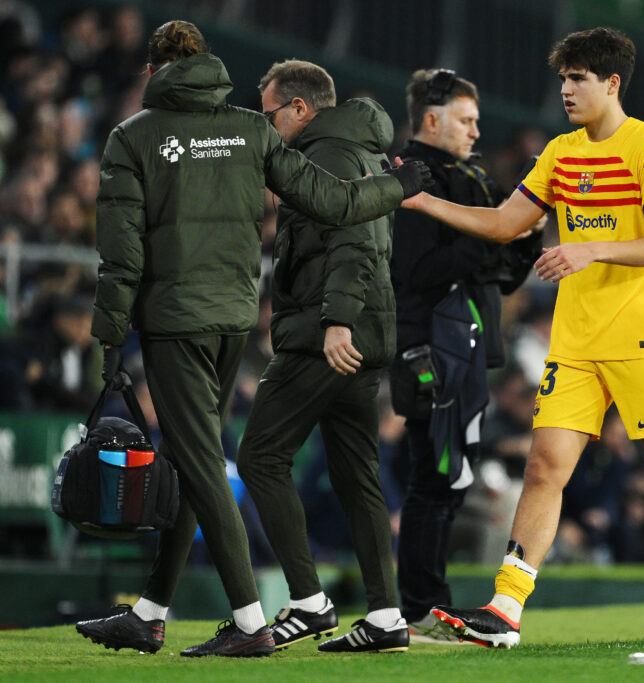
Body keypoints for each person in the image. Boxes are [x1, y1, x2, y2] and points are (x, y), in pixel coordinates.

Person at [74, 20, 428, 658]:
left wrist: (108, 338)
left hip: (174, 318)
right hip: (236, 316)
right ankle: (152, 613)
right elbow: (335, 202)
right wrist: (397, 186)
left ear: (153, 72)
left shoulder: (133, 136)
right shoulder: (251, 128)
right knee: (194, 458)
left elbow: (119, 254)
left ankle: (249, 622)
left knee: (212, 461)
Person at [405, 27, 644, 648]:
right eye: (563, 79)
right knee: (543, 468)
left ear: (611, 82)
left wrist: (588, 249)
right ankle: (504, 610)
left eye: (578, 78)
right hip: (576, 341)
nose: (566, 90)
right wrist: (424, 202)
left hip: (642, 337)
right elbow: (504, 222)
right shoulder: (560, 151)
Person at [234, 59, 410, 654]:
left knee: (258, 456)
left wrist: (335, 320)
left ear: (301, 109)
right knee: (356, 474)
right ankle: (386, 616)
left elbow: (355, 240)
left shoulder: (325, 155)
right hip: (362, 329)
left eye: (269, 114)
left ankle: (309, 602)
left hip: (327, 331)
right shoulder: (361, 149)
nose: (267, 126)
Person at [389, 68, 541, 644]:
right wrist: (492, 236)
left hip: (469, 347)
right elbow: (415, 272)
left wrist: (521, 242)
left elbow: (498, 278)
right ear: (432, 119)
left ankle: (427, 604)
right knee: (435, 479)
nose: (476, 130)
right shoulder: (407, 179)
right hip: (430, 344)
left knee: (451, 480)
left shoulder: (471, 177)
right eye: (466, 119)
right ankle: (421, 607)